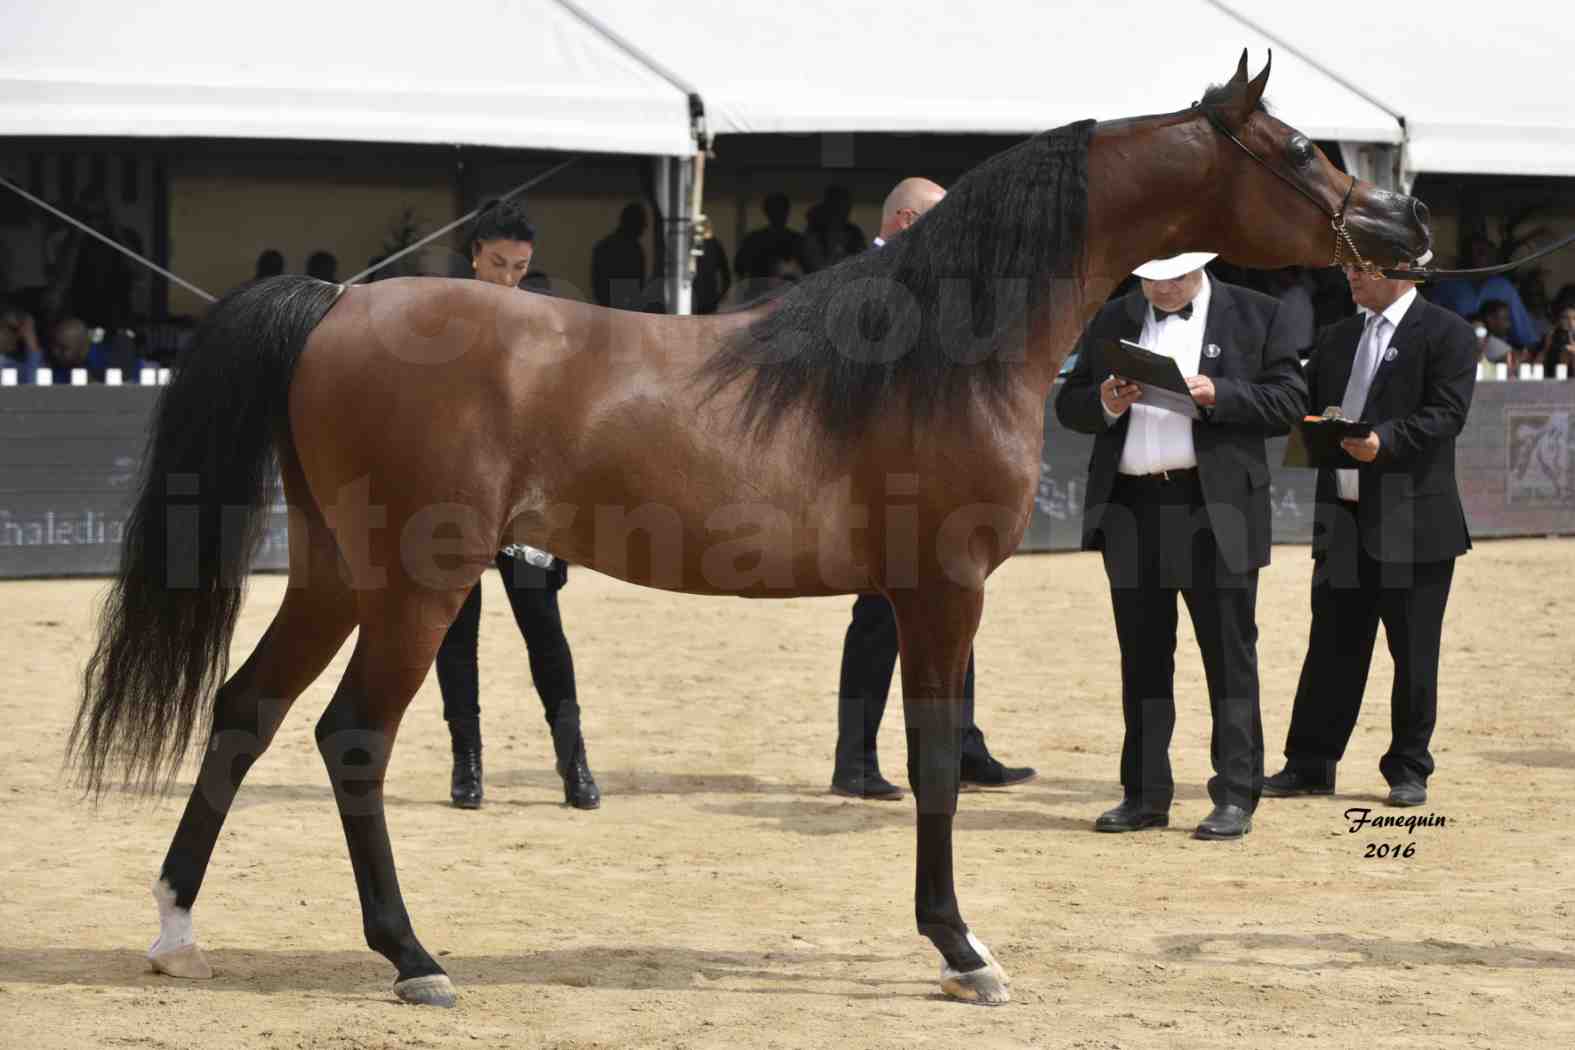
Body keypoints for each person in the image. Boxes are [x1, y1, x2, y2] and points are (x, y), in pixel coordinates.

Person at [1056, 252, 1307, 840]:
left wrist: (1218, 392)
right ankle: (1143, 793)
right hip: (1131, 508)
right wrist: (1107, 402)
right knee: (1141, 659)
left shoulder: (1258, 314)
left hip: (1214, 507)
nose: (1160, 289)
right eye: (1148, 278)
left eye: (1173, 278)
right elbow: (1070, 403)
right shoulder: (1114, 315)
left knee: (1229, 657)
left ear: (1201, 266)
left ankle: (1236, 795)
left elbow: (1289, 400)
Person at [830, 176, 1036, 802]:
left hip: (940, 473)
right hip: (879, 477)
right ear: (908, 218)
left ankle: (962, 746)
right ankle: (855, 760)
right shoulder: (853, 280)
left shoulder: (942, 287)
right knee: (877, 618)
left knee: (953, 606)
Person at [1264, 264, 1476, 808]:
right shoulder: (1337, 336)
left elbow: (1447, 415)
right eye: (1348, 265)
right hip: (1341, 517)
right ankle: (1310, 761)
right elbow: (1301, 406)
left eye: (1364, 267)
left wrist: (1386, 439)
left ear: (1405, 273)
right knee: (1331, 647)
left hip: (1415, 523)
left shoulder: (1448, 333)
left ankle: (1409, 769)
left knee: (1413, 653)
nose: (1350, 276)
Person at [438, 200, 600, 811]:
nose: (508, 278)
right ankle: (467, 763)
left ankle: (573, 759)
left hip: (523, 506)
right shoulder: (442, 320)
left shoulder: (540, 322)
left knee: (544, 631)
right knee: (455, 633)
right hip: (454, 500)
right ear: (475, 255)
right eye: (499, 263)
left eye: (520, 266)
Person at [1429, 233, 1537, 349]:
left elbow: (1524, 334)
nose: (1476, 257)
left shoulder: (1504, 288)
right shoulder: (1447, 285)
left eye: (1481, 252)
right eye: (1470, 253)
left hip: (1498, 355)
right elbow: (1433, 326)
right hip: (1456, 352)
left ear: (1491, 256)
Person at [734, 193, 805, 278]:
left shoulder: (754, 239)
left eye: (781, 210)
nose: (779, 214)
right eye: (777, 210)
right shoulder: (797, 239)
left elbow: (739, 267)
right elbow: (739, 266)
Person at [591, 203, 647, 309]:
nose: (644, 228)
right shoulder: (635, 250)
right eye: (642, 224)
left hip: (606, 309)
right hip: (626, 310)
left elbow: (597, 284)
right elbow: (638, 285)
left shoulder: (604, 246)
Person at [799, 186, 866, 273]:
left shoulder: (854, 234)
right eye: (839, 206)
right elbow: (816, 266)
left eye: (846, 206)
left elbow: (863, 259)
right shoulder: (816, 234)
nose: (844, 211)